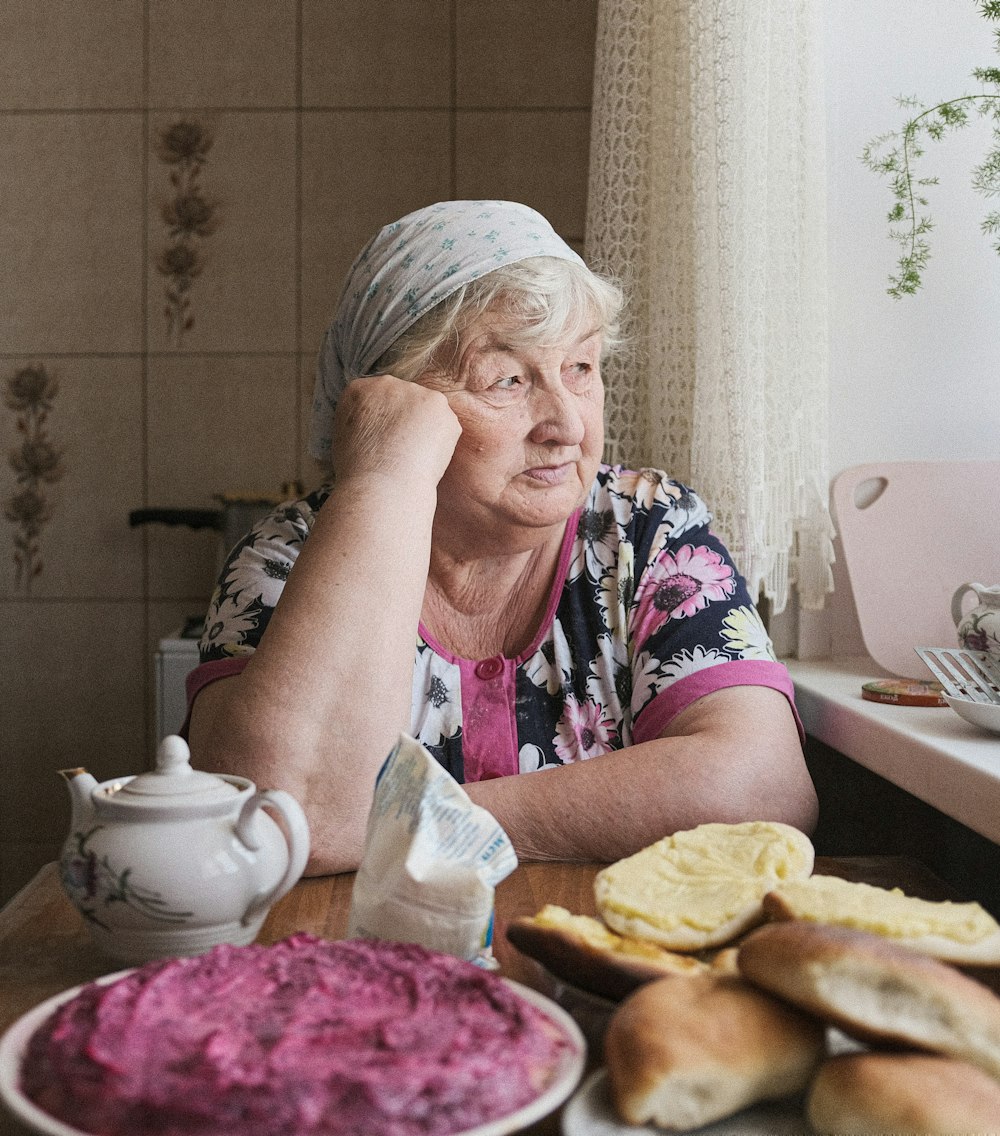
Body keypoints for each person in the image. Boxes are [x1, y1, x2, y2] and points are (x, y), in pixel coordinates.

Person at [186, 199, 817, 875]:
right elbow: (264, 821)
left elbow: (762, 788)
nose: (567, 424)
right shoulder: (286, 556)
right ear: (388, 404)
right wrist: (383, 481)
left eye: (580, 368)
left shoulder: (646, 530)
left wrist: (415, 825)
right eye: (507, 379)